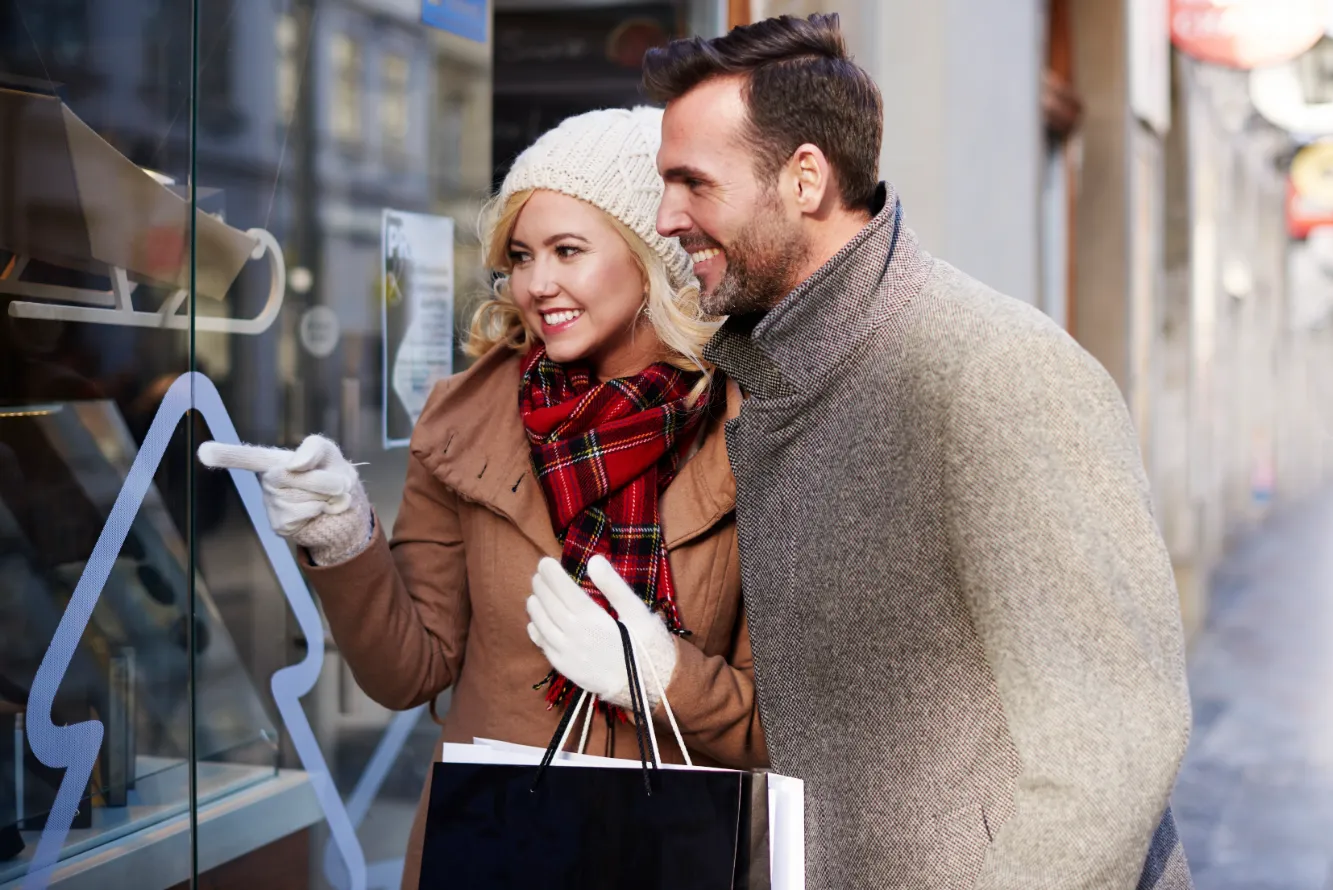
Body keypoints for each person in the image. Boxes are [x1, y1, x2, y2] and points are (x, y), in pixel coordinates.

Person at [627, 13, 1194, 890]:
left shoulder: (995, 374)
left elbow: (1111, 745)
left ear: (803, 179)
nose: (666, 216)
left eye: (691, 183)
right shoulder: (773, 375)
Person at [197, 106, 765, 889]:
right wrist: (341, 536)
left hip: (673, 849)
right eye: (521, 256)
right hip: (498, 847)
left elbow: (793, 726)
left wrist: (659, 673)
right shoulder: (465, 419)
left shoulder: (754, 432)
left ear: (652, 255)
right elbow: (408, 672)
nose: (536, 284)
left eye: (569, 250)